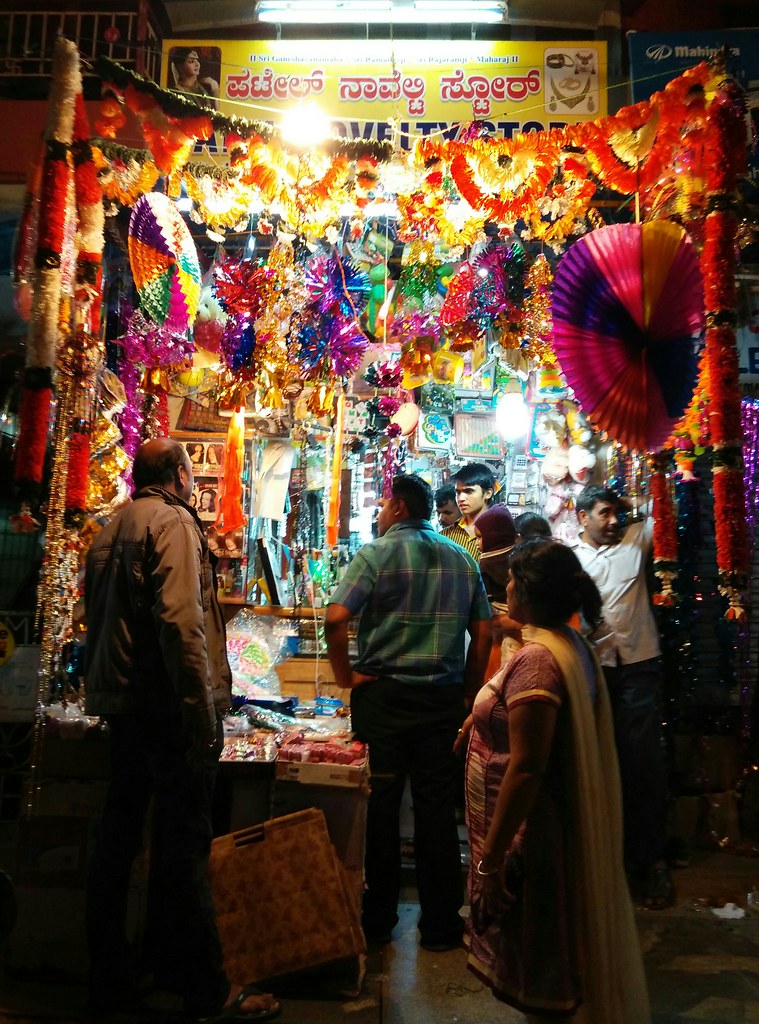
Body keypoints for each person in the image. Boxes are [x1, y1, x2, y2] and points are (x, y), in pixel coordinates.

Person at [83, 438, 280, 1023]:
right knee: (184, 844)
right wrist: (201, 710)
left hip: (122, 706)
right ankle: (205, 988)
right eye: (193, 470)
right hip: (165, 707)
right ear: (178, 473)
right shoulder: (171, 523)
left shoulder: (111, 525)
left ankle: (111, 980)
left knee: (118, 843)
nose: (197, 479)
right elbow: (180, 622)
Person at [463, 539, 650, 1023]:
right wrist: (478, 720)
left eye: (510, 580)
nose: (504, 587)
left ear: (526, 591)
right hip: (547, 829)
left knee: (541, 968)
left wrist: (492, 861)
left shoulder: (538, 661)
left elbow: (527, 767)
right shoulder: (566, 646)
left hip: (534, 837)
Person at [325, 474, 492, 952]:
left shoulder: (376, 554)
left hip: (384, 698)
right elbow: (482, 632)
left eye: (382, 504)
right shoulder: (461, 558)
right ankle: (440, 925)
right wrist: (469, 690)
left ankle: (377, 920)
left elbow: (336, 618)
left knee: (380, 805)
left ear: (398, 507)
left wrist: (345, 676)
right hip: (441, 699)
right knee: (436, 809)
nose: (379, 512)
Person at [571, 484, 673, 910]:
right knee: (596, 763)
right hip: (594, 668)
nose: (613, 521)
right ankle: (602, 861)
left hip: (638, 666)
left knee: (642, 762)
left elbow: (662, 510)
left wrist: (627, 504)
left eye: (617, 513)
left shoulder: (637, 539)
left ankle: (649, 863)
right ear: (582, 517)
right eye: (603, 513)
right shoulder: (570, 558)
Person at [474, 504, 523, 672]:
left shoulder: (488, 561)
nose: (477, 543)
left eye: (480, 538)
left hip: (503, 623)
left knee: (507, 667)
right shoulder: (518, 555)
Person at [442, 462, 496, 560]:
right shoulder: (445, 537)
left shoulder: (501, 533)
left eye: (468, 491)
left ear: (488, 493)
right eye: (458, 492)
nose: (461, 498)